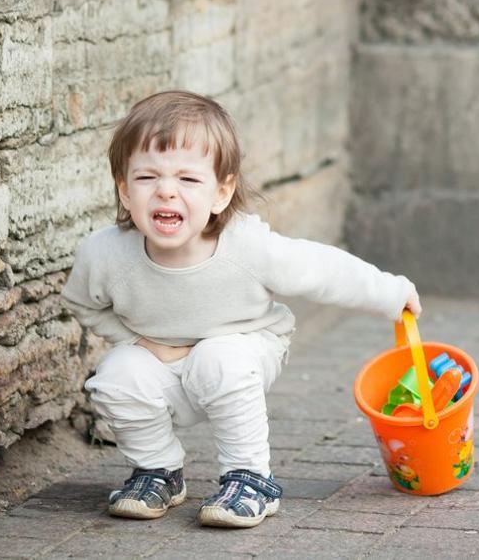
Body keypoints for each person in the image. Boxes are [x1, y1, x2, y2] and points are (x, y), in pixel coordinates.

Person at [61, 90, 421, 529]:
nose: (166, 192)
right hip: (160, 355)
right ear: (124, 189)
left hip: (246, 348)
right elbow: (81, 304)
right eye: (146, 178)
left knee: (219, 357)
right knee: (115, 375)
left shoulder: (247, 247)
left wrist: (391, 293)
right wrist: (136, 342)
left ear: (221, 192)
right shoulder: (106, 255)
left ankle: (250, 477)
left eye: (188, 180)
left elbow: (323, 270)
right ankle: (157, 472)